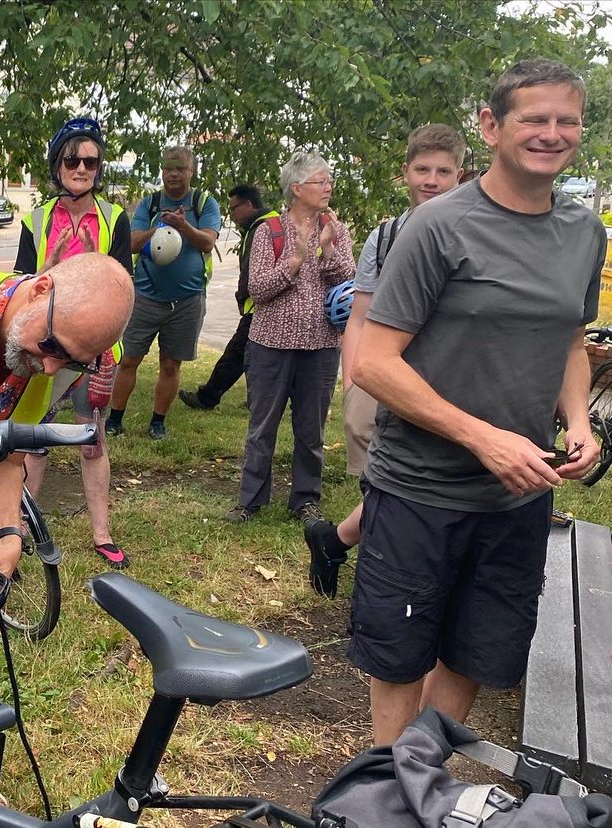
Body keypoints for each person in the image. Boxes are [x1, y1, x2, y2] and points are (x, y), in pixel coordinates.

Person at [350, 59, 605, 746]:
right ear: (491, 127)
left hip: (519, 500)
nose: (552, 134)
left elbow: (572, 342)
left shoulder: (584, 232)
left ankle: (419, 782)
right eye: (534, 119)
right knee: (399, 660)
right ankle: (381, 798)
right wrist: (483, 439)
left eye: (566, 120)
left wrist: (579, 421)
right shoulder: (438, 226)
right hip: (421, 491)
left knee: (475, 654)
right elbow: (372, 362)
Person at [0, 254, 134, 681]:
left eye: (71, 361)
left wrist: (6, 536)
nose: (51, 367)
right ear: (40, 289)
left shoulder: (72, 346)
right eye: (52, 347)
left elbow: (4, 453)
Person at [305, 124, 466, 598]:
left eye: (443, 171)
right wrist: (354, 382)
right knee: (379, 487)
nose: (431, 180)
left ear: (461, 175)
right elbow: (360, 316)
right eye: (422, 169)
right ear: (406, 173)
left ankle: (337, 543)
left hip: (442, 385)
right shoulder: (387, 235)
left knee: (415, 494)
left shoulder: (472, 233)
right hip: (381, 380)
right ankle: (374, 589)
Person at [13, 117, 133, 569]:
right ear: (57, 163)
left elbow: (122, 291)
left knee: (92, 439)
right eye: (72, 159)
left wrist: (106, 351)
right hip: (46, 345)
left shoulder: (114, 218)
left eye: (91, 161)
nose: (82, 168)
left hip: (94, 348)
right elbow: (20, 285)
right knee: (31, 438)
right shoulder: (36, 219)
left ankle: (101, 532)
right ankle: (17, 526)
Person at [226, 152, 354, 525]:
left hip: (321, 347)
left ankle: (305, 499)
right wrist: (295, 260)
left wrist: (328, 249)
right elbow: (258, 289)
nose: (328, 186)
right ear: (297, 189)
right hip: (270, 347)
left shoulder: (336, 228)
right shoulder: (270, 231)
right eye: (320, 180)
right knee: (262, 427)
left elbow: (349, 281)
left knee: (311, 430)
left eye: (329, 179)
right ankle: (250, 501)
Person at [105, 146, 221, 440]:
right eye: (168, 168)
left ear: (191, 171)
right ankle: (114, 420)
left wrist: (183, 226)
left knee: (170, 364)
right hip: (145, 296)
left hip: (187, 300)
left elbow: (207, 243)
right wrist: (159, 225)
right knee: (129, 359)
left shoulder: (204, 203)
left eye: (180, 168)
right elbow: (131, 243)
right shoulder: (150, 204)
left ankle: (158, 422)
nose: (173, 173)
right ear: (161, 171)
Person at [179, 184, 279, 411]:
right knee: (260, 357)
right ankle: (261, 399)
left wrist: (242, 296)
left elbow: (253, 272)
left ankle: (207, 397)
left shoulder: (262, 229)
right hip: (263, 306)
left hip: (260, 308)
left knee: (235, 356)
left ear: (249, 205)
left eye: (234, 209)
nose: (232, 215)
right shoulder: (269, 224)